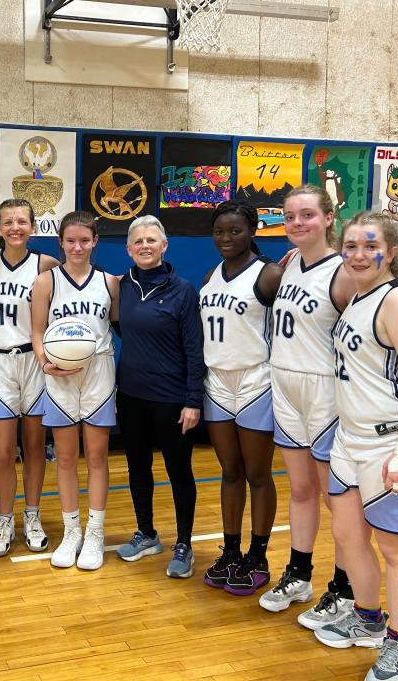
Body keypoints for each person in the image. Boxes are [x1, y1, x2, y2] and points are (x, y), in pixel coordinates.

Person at [314, 212, 398, 681]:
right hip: (351, 439)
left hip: (394, 440)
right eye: (349, 246)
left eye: (370, 246)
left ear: (390, 252)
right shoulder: (356, 294)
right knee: (349, 537)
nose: (358, 254)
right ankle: (368, 617)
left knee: (396, 550)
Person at [259, 185, 358, 628]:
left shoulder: (342, 274)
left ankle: (346, 587)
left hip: (324, 392)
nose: (297, 223)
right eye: (290, 216)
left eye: (307, 216)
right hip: (284, 383)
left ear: (328, 219)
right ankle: (299, 573)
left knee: (338, 500)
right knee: (300, 490)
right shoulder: (289, 265)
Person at [114, 216, 205, 578]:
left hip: (172, 399)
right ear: (129, 249)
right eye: (138, 242)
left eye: (152, 240)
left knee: (178, 471)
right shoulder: (122, 286)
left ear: (164, 246)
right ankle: (146, 533)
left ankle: (184, 543)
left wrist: (193, 400)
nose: (145, 246)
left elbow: (195, 350)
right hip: (132, 395)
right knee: (138, 468)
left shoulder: (183, 290)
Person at [199, 201, 283, 595]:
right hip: (217, 382)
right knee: (230, 472)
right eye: (219, 231)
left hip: (255, 382)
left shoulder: (269, 275)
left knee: (257, 474)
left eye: (235, 231)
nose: (226, 238)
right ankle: (231, 550)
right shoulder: (211, 275)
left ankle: (259, 555)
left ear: (252, 231)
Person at [30, 211, 119, 571]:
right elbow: (37, 331)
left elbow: (122, 326)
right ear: (61, 243)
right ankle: (72, 532)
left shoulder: (111, 282)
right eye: (70, 241)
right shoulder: (46, 281)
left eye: (85, 240)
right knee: (65, 458)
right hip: (58, 374)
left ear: (95, 241)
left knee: (97, 458)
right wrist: (44, 361)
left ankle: (95, 533)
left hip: (98, 371)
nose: (78, 246)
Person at [0, 199, 60, 556]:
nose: (15, 227)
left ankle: (33, 515)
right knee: (1, 451)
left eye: (22, 221)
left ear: (33, 226)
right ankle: (4, 518)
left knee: (35, 447)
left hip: (33, 361)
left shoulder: (46, 264)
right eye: (8, 222)